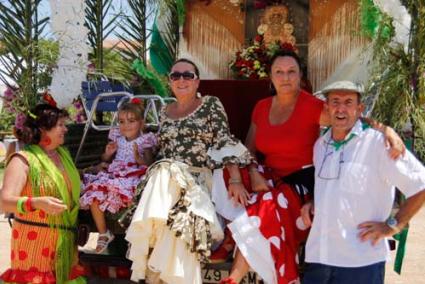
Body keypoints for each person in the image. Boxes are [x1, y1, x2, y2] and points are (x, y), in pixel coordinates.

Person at [221, 50, 405, 284]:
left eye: (291, 72)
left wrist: (385, 130)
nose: (285, 77)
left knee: (267, 205)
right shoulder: (261, 106)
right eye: (279, 72)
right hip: (268, 176)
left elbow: (350, 116)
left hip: (302, 181)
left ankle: (235, 277)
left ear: (300, 76)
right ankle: (224, 238)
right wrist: (255, 173)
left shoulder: (312, 106)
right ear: (271, 76)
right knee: (227, 175)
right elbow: (248, 149)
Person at [123, 58, 253, 284]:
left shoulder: (211, 104)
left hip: (197, 179)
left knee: (175, 206)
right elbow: (163, 150)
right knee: (173, 223)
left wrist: (234, 179)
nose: (181, 79)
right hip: (167, 182)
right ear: (170, 81)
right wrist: (141, 158)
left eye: (187, 75)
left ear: (197, 81)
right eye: (176, 76)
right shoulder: (164, 112)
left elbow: (223, 141)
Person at [300, 81, 425, 284]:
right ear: (327, 107)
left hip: (360, 263)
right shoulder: (321, 145)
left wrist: (393, 225)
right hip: (319, 258)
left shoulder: (379, 144)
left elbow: (420, 184)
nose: (341, 108)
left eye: (348, 102)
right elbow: (331, 188)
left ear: (360, 109)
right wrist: (315, 204)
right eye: (335, 101)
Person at [0, 103, 86, 284]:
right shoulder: (23, 160)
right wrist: (36, 203)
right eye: (60, 125)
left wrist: (96, 167)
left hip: (65, 242)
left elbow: (65, 182)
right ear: (42, 129)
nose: (66, 129)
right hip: (34, 244)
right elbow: (4, 202)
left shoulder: (62, 154)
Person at [80, 99, 156, 254]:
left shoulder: (145, 140)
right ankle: (103, 233)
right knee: (94, 193)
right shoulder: (118, 139)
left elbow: (149, 163)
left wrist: (138, 157)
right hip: (116, 174)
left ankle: (134, 236)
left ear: (141, 123)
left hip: (134, 174)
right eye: (121, 121)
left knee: (133, 198)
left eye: (131, 121)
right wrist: (108, 153)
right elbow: (105, 160)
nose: (125, 125)